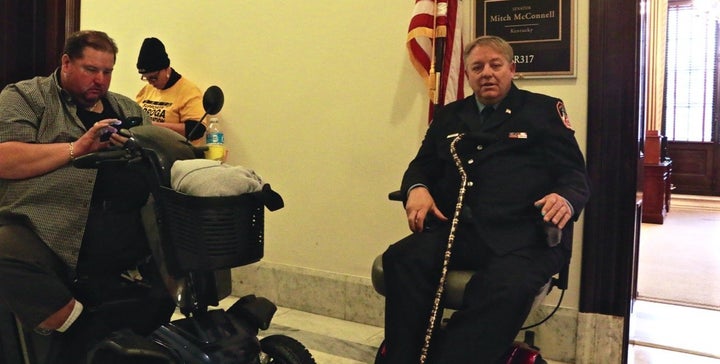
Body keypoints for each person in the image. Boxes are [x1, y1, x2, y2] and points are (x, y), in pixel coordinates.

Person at [377, 35, 591, 363]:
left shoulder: (543, 111)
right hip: (459, 230)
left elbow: (575, 175)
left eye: (495, 65)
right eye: (477, 67)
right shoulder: (450, 115)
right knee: (401, 258)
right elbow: (422, 165)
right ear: (467, 75)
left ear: (512, 69)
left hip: (525, 237)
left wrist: (565, 198)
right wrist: (416, 188)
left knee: (505, 287)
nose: (486, 73)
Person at [0, 30, 174, 362]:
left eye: (107, 71)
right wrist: (76, 149)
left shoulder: (127, 108)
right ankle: (83, 327)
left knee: (166, 278)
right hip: (42, 228)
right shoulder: (26, 97)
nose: (100, 80)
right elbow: (4, 158)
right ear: (66, 63)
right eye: (90, 69)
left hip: (121, 232)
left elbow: (160, 156)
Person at [135, 37, 206, 141]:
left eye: (154, 77)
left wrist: (152, 127)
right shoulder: (146, 90)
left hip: (177, 153)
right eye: (146, 78)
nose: (150, 82)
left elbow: (196, 129)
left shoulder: (188, 91)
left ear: (166, 68)